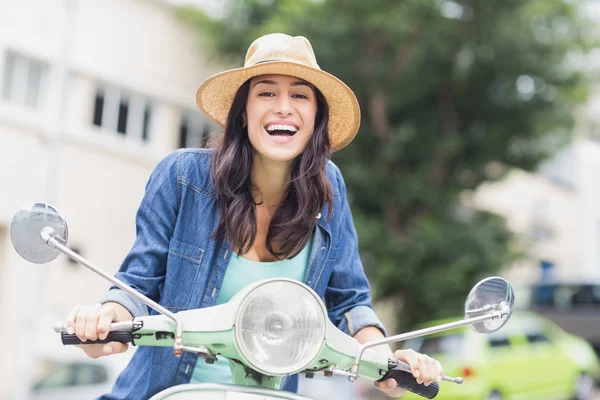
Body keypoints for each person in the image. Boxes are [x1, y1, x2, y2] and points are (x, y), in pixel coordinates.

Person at [64, 33, 443, 400]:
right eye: (266, 93)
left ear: (316, 117)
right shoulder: (182, 176)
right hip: (168, 393)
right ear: (243, 113)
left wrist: (388, 360)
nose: (283, 106)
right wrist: (102, 320)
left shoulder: (330, 188)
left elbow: (349, 302)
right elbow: (136, 285)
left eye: (299, 95)